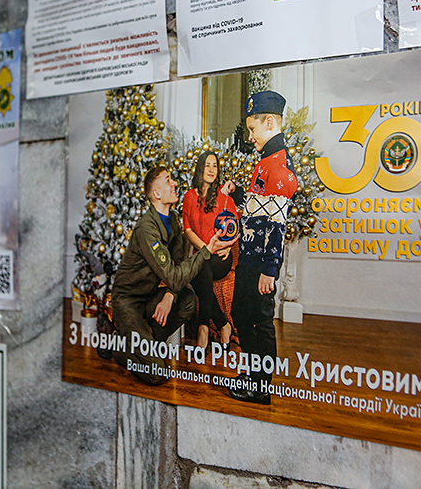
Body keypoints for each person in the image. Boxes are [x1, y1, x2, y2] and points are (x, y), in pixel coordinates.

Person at [112, 165, 236, 385]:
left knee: (188, 301)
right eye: (168, 180)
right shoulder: (146, 230)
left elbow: (178, 264)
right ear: (157, 194)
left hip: (149, 297)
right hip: (128, 302)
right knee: (156, 374)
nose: (175, 183)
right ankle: (120, 348)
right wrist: (208, 249)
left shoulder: (173, 221)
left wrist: (170, 295)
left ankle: (147, 342)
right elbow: (174, 276)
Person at [222, 91, 298, 404]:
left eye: (252, 129)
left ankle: (260, 387)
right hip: (249, 259)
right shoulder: (266, 161)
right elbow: (259, 212)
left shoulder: (278, 167)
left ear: (269, 122)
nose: (250, 136)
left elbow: (277, 226)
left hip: (259, 264)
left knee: (259, 321)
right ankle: (253, 374)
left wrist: (269, 269)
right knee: (242, 314)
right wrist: (238, 193)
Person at [182, 151, 236, 348]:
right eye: (208, 165)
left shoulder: (223, 195)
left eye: (215, 166)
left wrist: (228, 246)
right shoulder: (189, 196)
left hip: (221, 257)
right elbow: (187, 229)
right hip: (203, 256)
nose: (212, 170)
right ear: (200, 169)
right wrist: (205, 249)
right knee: (201, 266)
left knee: (199, 266)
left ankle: (203, 327)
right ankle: (223, 325)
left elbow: (234, 226)